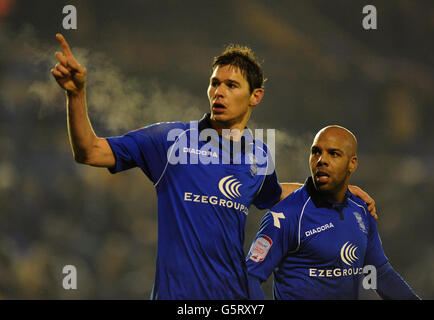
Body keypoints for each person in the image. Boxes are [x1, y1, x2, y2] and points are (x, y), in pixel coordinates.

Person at [51, 34, 376, 299]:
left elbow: (275, 194)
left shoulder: (258, 154)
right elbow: (90, 152)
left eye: (231, 85)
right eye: (214, 83)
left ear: (255, 96)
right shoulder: (171, 140)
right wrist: (77, 95)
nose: (218, 92)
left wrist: (337, 190)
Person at [246, 125, 420, 300]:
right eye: (316, 152)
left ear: (352, 163)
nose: (321, 160)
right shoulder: (285, 217)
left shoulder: (361, 210)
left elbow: (379, 274)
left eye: (333, 153)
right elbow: (250, 277)